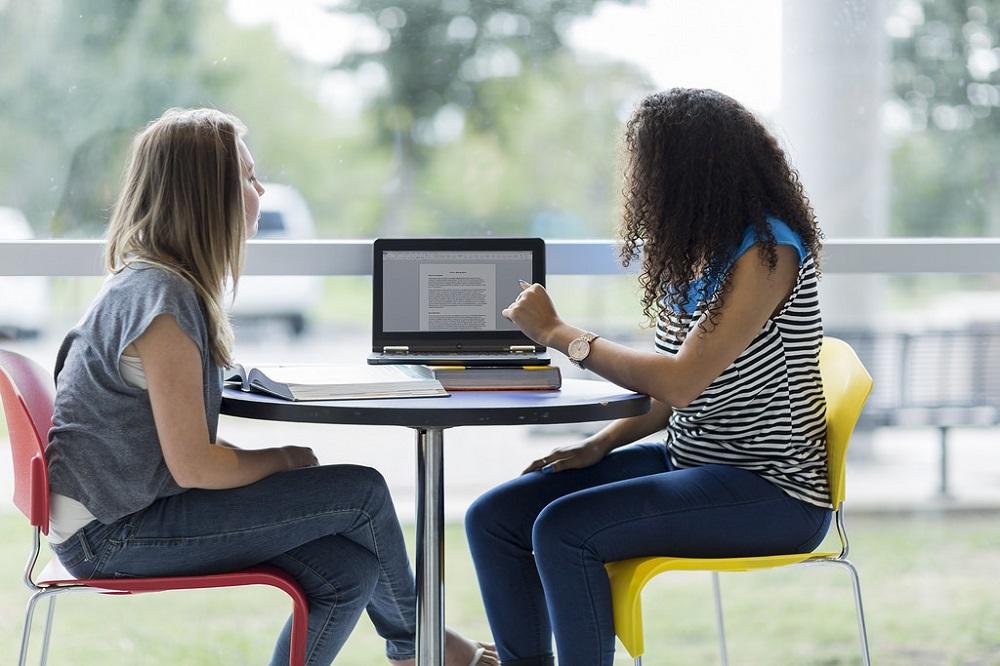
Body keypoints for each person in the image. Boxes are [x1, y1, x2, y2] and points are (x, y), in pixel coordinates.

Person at [45, 107, 497, 666]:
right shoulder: (160, 302)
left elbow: (175, 450)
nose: (260, 189)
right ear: (208, 195)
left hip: (119, 515)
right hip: (112, 535)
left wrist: (266, 461)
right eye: (248, 177)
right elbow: (196, 467)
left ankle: (419, 643)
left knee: (346, 571)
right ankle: (420, 648)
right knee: (363, 492)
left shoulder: (153, 285)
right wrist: (280, 458)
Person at [464, 88, 833, 666]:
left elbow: (682, 381)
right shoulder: (694, 251)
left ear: (689, 169)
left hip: (772, 490)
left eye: (648, 164)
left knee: (565, 529)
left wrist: (560, 334)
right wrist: (600, 444)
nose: (640, 180)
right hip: (692, 463)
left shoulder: (768, 252)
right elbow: (667, 396)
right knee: (494, 518)